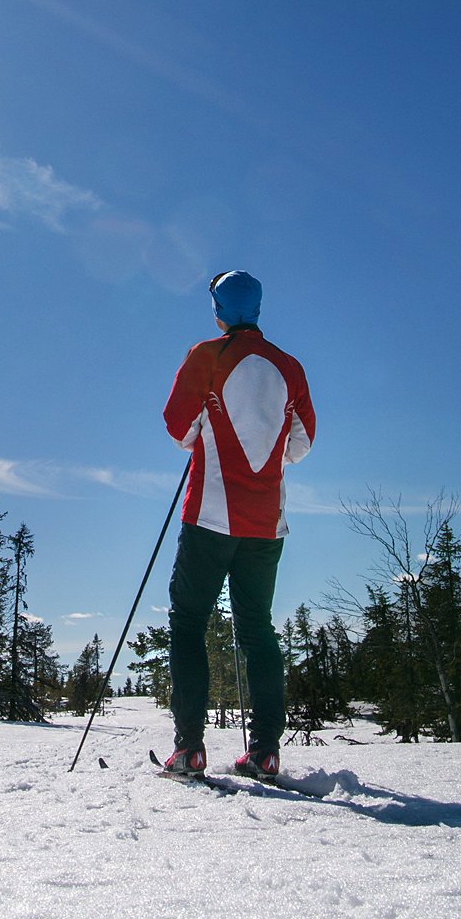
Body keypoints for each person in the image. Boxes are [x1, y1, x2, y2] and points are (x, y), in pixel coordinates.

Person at [161, 270, 315, 779]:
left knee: (188, 621)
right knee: (256, 628)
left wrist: (206, 432)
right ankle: (266, 751)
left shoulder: (206, 355)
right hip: (266, 523)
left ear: (220, 310)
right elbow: (301, 444)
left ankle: (190, 749)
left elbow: (177, 426)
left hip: (209, 514)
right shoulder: (289, 366)